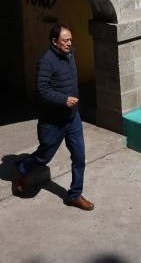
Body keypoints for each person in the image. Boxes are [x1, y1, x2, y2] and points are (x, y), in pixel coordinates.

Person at [12, 24, 93, 210]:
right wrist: (63, 99)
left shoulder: (71, 54)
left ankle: (75, 195)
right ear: (54, 42)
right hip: (53, 122)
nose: (69, 43)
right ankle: (23, 168)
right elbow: (42, 90)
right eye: (65, 40)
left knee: (79, 157)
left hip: (73, 119)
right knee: (43, 157)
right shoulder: (45, 61)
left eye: (71, 39)